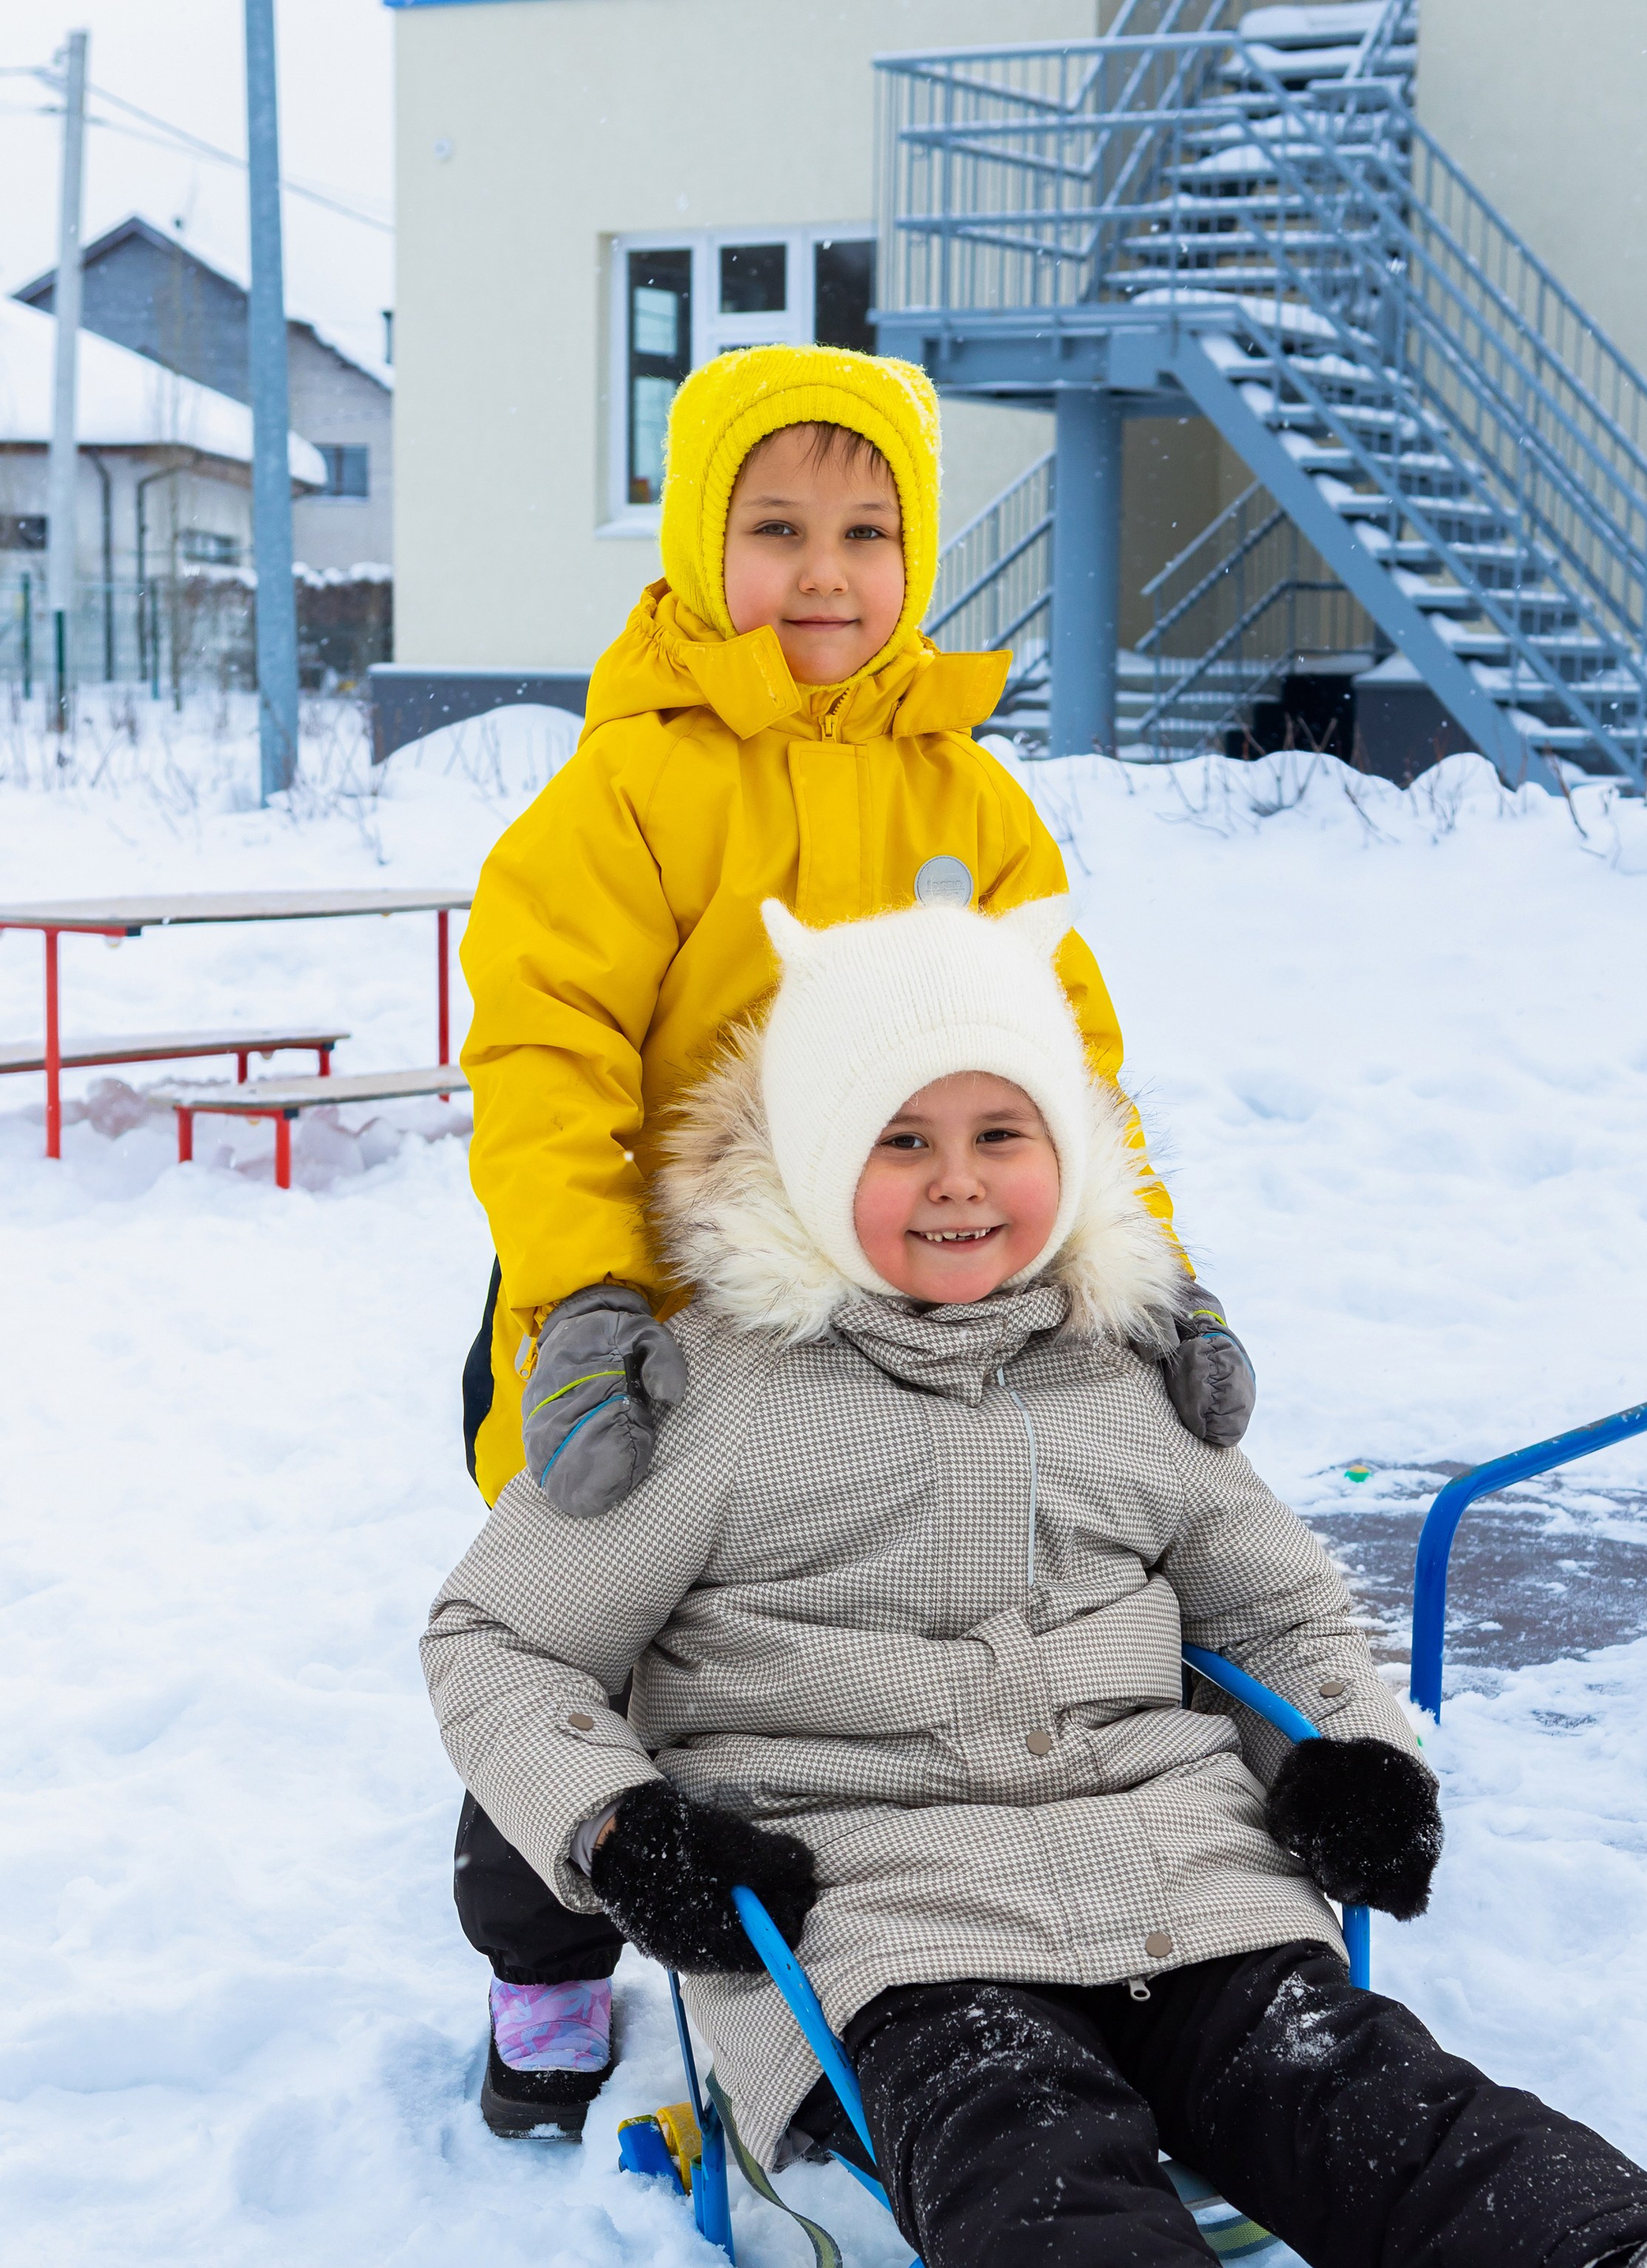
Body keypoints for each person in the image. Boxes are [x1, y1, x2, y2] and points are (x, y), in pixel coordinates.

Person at [421, 896, 1647, 2268]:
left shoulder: (1119, 1377)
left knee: (1357, 2092)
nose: (955, 1184)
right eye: (897, 1141)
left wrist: (1347, 1754)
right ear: (800, 1160)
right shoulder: (710, 1401)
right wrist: (621, 1832)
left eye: (999, 1134)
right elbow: (495, 1643)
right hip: (881, 1917)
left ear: (1065, 1153)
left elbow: (1272, 1602)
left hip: (1176, 1866)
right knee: (1024, 2156)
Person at [450, 342, 1253, 2132]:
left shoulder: (966, 796)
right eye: (778, 527)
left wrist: (1150, 1276)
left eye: (868, 530)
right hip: (639, 1326)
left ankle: (969, 1911)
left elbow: (1069, 1067)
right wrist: (585, 1299)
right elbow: (540, 1052)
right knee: (580, 1636)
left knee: (857, 1635)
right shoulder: (629, 796)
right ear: (689, 543)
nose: (825, 573)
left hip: (894, 1315)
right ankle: (544, 1969)